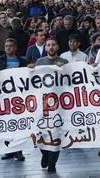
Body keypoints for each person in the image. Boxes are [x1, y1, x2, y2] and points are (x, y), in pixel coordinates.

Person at [0, 38, 28, 161]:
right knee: (7, 124)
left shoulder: (23, 61)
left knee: (18, 125)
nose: (8, 48)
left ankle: (18, 150)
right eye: (6, 46)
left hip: (19, 97)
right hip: (4, 97)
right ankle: (9, 150)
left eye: (11, 46)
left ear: (15, 47)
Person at [35, 37, 68, 173]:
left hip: (59, 104)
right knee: (43, 131)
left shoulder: (64, 62)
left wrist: (64, 69)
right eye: (48, 45)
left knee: (56, 134)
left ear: (58, 47)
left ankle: (52, 163)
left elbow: (70, 79)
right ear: (46, 48)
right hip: (43, 104)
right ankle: (45, 154)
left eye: (54, 44)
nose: (51, 47)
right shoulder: (40, 62)